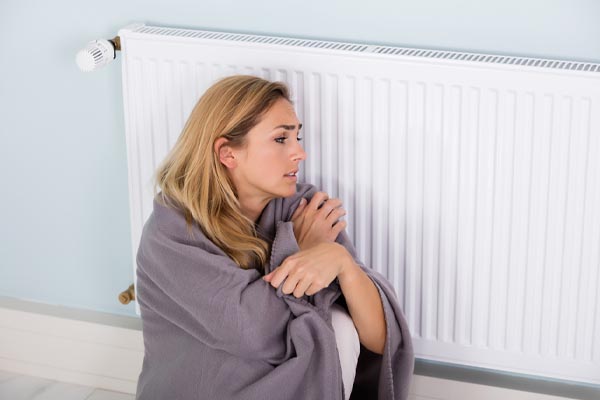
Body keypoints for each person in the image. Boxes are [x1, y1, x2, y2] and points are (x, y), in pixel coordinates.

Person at [135, 75, 414, 400]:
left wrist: (343, 264)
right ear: (228, 153)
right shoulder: (173, 230)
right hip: (203, 388)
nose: (300, 153)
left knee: (338, 322)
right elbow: (256, 334)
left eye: (297, 137)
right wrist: (299, 248)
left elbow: (380, 341)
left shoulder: (304, 208)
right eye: (281, 139)